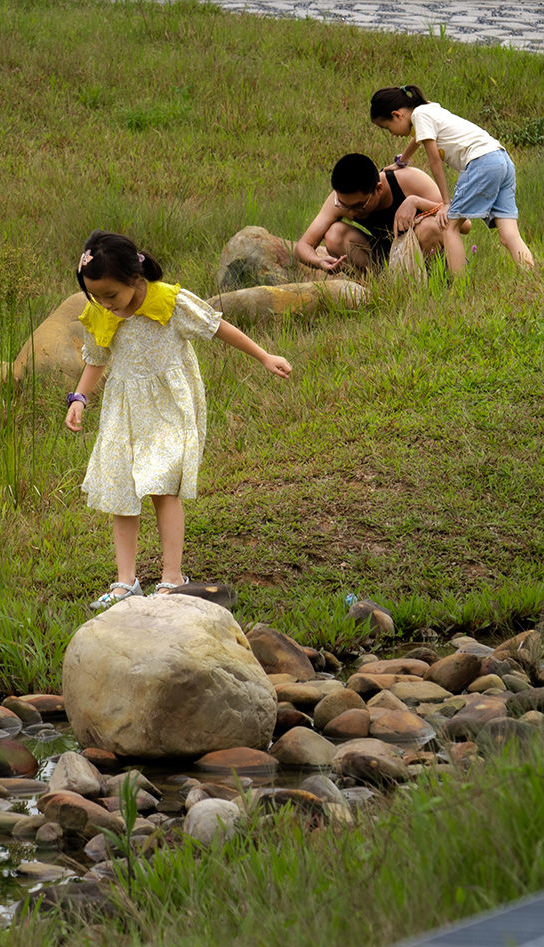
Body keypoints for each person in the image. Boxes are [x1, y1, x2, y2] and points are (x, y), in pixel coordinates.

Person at [64, 230, 293, 611]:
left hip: (168, 405)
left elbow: (218, 327)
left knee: (161, 484)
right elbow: (97, 356)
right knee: (122, 489)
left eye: (111, 295)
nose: (105, 303)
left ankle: (172, 577)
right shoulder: (102, 311)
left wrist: (263, 356)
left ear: (134, 278)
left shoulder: (170, 302)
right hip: (123, 409)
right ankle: (126, 582)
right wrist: (80, 397)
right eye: (97, 297)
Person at [369, 85, 536, 274]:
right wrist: (402, 161)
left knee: (449, 226)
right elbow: (418, 138)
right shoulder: (429, 109)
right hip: (501, 160)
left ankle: (459, 289)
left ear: (397, 115)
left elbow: (434, 161)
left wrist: (446, 202)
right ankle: (531, 277)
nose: (391, 134)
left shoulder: (419, 116)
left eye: (387, 128)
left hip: (482, 162)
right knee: (508, 235)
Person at [294, 152, 453, 274]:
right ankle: (384, 287)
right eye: (344, 205)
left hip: (434, 257)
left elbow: (464, 224)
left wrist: (416, 202)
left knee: (428, 227)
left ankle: (437, 286)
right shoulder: (340, 201)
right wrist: (318, 262)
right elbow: (303, 245)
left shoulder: (409, 180)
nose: (351, 211)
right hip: (389, 257)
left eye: (358, 206)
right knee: (335, 235)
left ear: (378, 189)